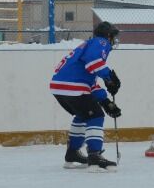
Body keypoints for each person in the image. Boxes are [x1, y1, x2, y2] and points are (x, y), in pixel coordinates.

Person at [49, 21, 122, 172]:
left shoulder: (87, 45)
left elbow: (89, 82)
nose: (114, 40)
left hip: (60, 86)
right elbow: (93, 63)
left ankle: (72, 154)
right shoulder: (100, 42)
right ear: (108, 36)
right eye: (113, 36)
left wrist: (105, 101)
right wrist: (109, 77)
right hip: (72, 86)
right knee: (95, 115)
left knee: (83, 115)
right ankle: (95, 156)